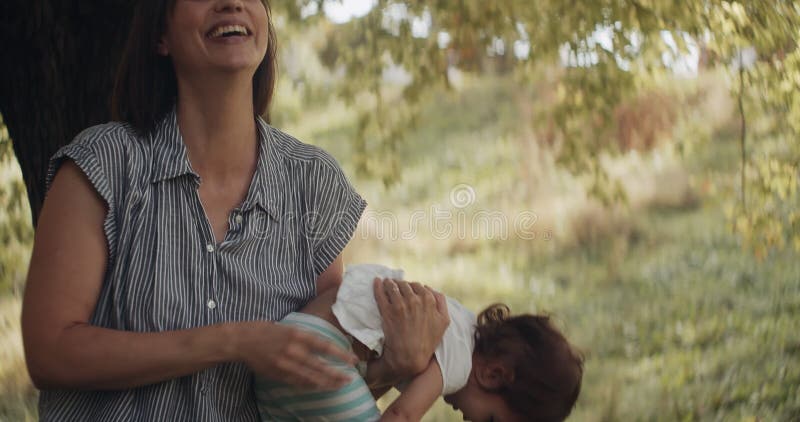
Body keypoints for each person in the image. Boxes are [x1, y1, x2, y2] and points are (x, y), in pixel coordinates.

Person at [20, 1, 448, 420]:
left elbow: (315, 382)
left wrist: (395, 367)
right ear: (160, 35)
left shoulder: (313, 182)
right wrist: (233, 340)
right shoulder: (103, 165)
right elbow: (50, 353)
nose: (231, 4)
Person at [255, 264, 585, 422]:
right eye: (490, 421)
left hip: (295, 341)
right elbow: (402, 414)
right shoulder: (457, 363)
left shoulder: (458, 325)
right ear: (494, 375)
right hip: (318, 349)